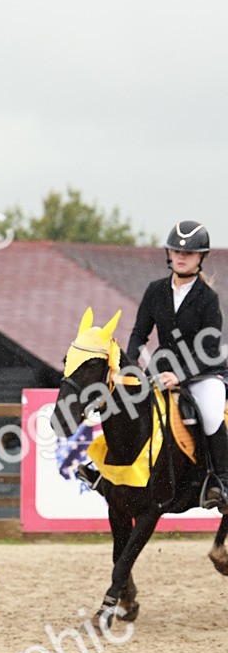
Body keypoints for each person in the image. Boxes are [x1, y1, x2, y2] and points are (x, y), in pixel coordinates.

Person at [126, 219, 228, 513]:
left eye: (190, 253)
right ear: (169, 254)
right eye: (176, 251)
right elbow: (138, 334)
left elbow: (209, 350)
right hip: (161, 368)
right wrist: (130, 365)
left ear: (201, 258)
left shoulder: (208, 298)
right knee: (128, 404)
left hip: (203, 372)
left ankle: (220, 482)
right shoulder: (155, 290)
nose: (181, 257)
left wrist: (179, 376)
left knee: (209, 414)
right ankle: (110, 474)